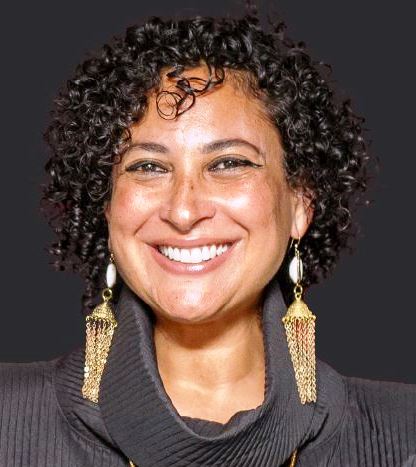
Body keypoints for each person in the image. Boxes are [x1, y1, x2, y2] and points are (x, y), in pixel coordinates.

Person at [0, 12, 415, 467]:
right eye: (148, 167)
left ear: (299, 204)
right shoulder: (9, 419)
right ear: (108, 207)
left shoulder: (403, 435)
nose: (183, 210)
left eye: (228, 163)